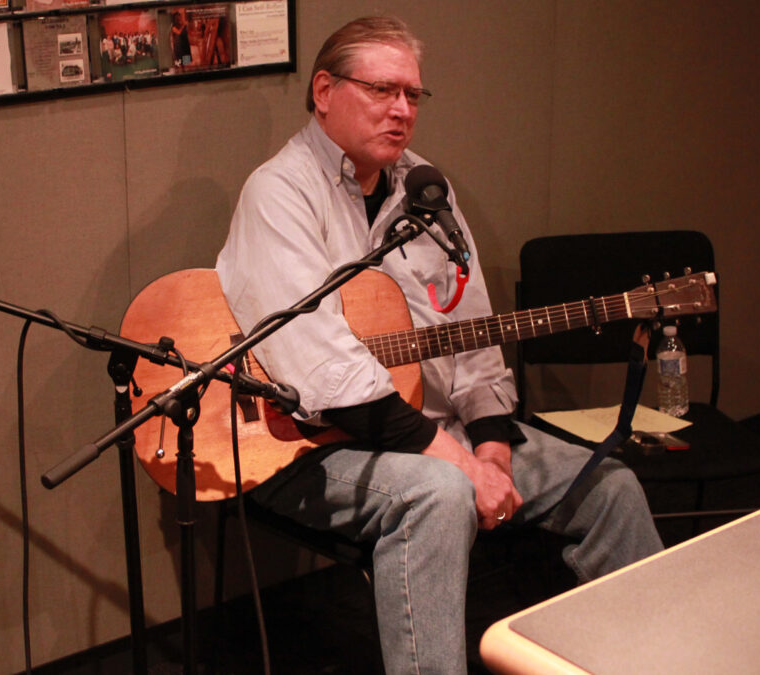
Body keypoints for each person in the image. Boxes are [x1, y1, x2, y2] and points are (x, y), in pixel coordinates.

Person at [215, 16, 663, 675]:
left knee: (611, 487)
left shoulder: (426, 191)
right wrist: (461, 466)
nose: (402, 110)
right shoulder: (279, 193)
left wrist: (491, 450)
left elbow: (473, 333)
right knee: (440, 494)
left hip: (435, 430)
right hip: (311, 445)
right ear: (324, 91)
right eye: (382, 90)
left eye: (413, 94)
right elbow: (323, 367)